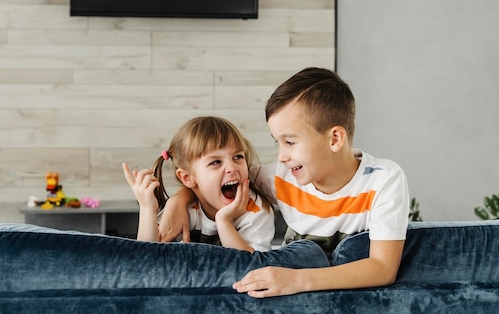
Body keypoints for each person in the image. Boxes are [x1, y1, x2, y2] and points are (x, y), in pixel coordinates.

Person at [158, 67, 410, 297]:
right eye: (276, 142)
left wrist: (297, 281)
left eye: (289, 142)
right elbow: (218, 181)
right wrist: (178, 201)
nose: (281, 157)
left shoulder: (383, 180)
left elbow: (382, 268)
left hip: (306, 286)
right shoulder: (282, 176)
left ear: (334, 139)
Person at [123, 116, 276, 253]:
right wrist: (147, 209)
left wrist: (224, 221)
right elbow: (145, 259)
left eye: (238, 157)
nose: (232, 167)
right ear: (187, 178)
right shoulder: (185, 209)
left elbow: (253, 268)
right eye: (216, 162)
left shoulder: (256, 209)